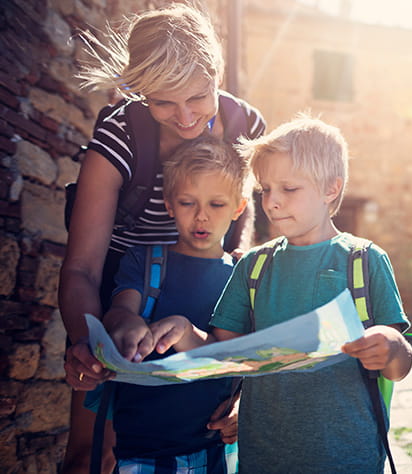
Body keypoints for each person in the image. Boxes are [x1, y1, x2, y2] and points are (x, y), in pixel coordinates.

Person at [59, 4, 265, 473]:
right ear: (140, 92)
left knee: (205, 440)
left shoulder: (245, 129)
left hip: (208, 287)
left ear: (218, 73)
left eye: (197, 96)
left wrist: (240, 378)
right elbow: (82, 268)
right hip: (122, 291)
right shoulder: (121, 135)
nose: (186, 117)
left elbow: (244, 240)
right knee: (93, 455)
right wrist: (88, 346)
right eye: (163, 101)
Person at [148, 115, 412, 473]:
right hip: (264, 458)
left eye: (288, 189)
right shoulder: (254, 267)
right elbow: (225, 354)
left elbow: (400, 366)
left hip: (348, 458)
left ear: (330, 189)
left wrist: (391, 346)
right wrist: (183, 332)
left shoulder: (365, 261)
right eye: (265, 190)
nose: (272, 202)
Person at [100, 135, 249, 473]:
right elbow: (121, 310)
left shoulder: (244, 277)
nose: (201, 217)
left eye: (216, 204)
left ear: (238, 207)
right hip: (143, 448)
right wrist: (127, 324)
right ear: (168, 204)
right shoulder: (145, 261)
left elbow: (248, 357)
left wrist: (243, 406)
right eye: (187, 202)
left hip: (216, 449)